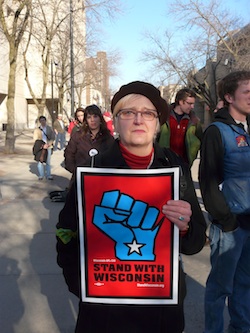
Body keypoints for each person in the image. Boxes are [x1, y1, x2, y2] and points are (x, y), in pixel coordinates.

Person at [56, 81, 207, 333]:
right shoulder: (93, 170)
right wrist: (84, 284)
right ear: (115, 122)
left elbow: (194, 243)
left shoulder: (174, 167)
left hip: (160, 309)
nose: (139, 120)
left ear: (157, 123)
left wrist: (184, 228)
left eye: (148, 113)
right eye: (128, 112)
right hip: (104, 311)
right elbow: (65, 234)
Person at [199, 71, 250, 333]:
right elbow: (208, 182)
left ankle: (241, 327)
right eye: (247, 92)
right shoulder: (217, 132)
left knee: (245, 284)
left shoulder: (247, 129)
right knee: (220, 288)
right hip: (230, 226)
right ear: (229, 97)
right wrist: (226, 221)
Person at [158, 88, 203, 167]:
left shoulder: (194, 121)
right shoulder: (163, 118)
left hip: (184, 164)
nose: (192, 106)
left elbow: (201, 140)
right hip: (164, 163)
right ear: (181, 102)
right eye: (189, 103)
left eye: (193, 104)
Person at [33, 115, 55, 180]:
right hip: (41, 147)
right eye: (41, 121)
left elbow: (53, 137)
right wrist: (42, 145)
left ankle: (48, 175)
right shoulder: (37, 130)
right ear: (40, 121)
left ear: (46, 121)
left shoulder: (49, 128)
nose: (43, 122)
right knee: (40, 161)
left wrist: (48, 144)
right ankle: (41, 175)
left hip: (48, 147)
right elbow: (35, 139)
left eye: (44, 120)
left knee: (48, 162)